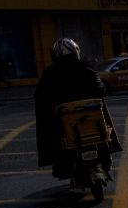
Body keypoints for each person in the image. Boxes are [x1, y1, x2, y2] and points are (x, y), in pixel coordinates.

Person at [33, 37, 112, 179]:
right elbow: (100, 89)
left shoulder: (49, 74)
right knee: (102, 129)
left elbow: (40, 97)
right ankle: (103, 162)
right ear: (75, 51)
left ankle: (62, 167)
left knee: (53, 135)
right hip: (90, 120)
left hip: (65, 123)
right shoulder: (86, 68)